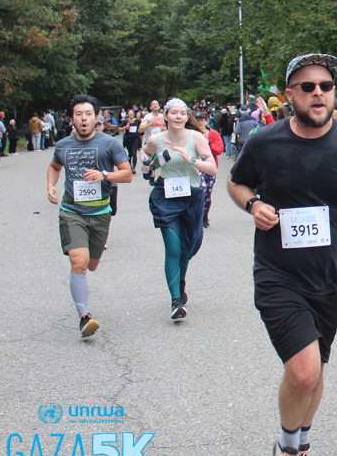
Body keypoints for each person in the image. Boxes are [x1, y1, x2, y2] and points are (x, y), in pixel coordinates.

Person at [228, 53, 337, 456]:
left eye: (325, 86)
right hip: (278, 275)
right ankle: (285, 451)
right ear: (290, 95)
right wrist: (253, 204)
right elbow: (237, 182)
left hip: (332, 278)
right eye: (307, 86)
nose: (318, 93)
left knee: (315, 370)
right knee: (303, 370)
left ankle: (301, 446)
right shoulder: (265, 141)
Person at [46, 95, 132, 337]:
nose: (83, 119)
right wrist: (50, 186)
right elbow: (54, 167)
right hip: (71, 211)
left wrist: (103, 175)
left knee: (92, 264)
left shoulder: (109, 144)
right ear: (71, 119)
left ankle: (84, 304)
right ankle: (84, 317)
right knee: (79, 261)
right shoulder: (63, 145)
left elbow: (127, 174)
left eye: (88, 114)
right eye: (78, 114)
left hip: (100, 212)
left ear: (96, 118)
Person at [143, 99, 217, 320]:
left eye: (182, 113)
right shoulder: (156, 139)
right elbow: (146, 157)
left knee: (186, 248)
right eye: (173, 113)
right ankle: (176, 301)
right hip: (165, 197)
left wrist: (191, 160)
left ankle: (180, 281)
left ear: (187, 117)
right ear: (165, 116)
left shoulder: (196, 138)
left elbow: (212, 168)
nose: (178, 117)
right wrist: (147, 167)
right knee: (173, 248)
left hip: (191, 197)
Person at [195, 111, 225, 228]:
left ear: (206, 121)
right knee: (201, 190)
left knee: (207, 193)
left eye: (202, 120)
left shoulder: (213, 134)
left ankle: (204, 215)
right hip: (195, 168)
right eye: (197, 120)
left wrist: (209, 143)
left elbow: (219, 150)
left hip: (209, 168)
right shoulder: (191, 134)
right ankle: (196, 216)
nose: (200, 122)